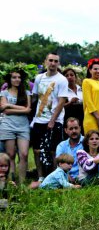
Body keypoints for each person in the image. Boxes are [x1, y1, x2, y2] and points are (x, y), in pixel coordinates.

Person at [31, 52, 69, 185]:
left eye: (55, 61)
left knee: (53, 151)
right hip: (39, 119)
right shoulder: (38, 78)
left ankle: (54, 177)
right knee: (37, 150)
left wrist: (52, 120)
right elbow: (35, 97)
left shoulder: (62, 79)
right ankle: (41, 176)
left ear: (58, 63)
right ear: (45, 61)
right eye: (50, 60)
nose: (53, 63)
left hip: (55, 120)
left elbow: (62, 101)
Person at [0, 69, 31, 184]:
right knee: (11, 155)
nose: (17, 79)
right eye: (14, 77)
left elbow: (28, 110)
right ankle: (11, 180)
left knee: (24, 154)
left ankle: (22, 182)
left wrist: (9, 105)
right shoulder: (4, 93)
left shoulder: (26, 93)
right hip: (7, 126)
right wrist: (21, 108)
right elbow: (5, 111)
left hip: (23, 126)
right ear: (9, 79)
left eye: (19, 77)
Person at [62, 66, 84, 134]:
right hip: (69, 120)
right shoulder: (63, 91)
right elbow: (59, 107)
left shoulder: (82, 89)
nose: (69, 77)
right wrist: (70, 102)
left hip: (82, 119)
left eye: (71, 75)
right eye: (67, 75)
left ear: (75, 77)